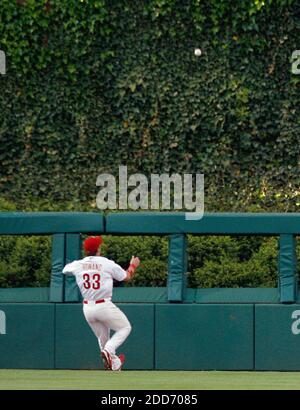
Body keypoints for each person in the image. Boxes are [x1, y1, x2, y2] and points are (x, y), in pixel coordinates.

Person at [62, 235, 140, 371]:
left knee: (103, 336)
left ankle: (114, 365)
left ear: (86, 251)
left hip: (87, 308)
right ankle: (109, 351)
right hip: (103, 305)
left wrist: (83, 268)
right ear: (98, 249)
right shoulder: (106, 263)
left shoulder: (77, 264)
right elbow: (126, 277)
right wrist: (133, 265)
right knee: (125, 327)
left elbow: (65, 270)